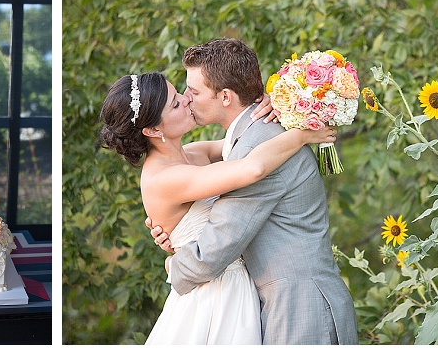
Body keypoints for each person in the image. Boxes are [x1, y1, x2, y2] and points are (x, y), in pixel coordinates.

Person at [99, 71, 338, 344]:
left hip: (239, 285)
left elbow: (248, 138)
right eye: (176, 104)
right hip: (214, 295)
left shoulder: (195, 152)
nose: (187, 100)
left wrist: (276, 107)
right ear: (153, 130)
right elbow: (253, 167)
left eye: (180, 93)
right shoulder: (163, 178)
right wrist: (302, 135)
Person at [149, 38, 359, 344]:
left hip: (301, 308)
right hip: (295, 303)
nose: (187, 99)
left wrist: (174, 263)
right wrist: (174, 224)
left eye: (194, 92)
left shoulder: (256, 145)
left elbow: (218, 244)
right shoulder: (253, 136)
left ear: (225, 97)